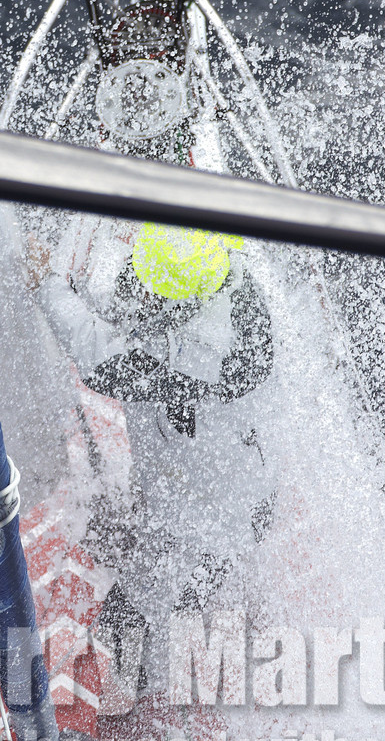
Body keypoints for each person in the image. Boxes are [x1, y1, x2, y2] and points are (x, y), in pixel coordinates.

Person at [33, 219, 278, 650]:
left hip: (209, 526)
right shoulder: (223, 277)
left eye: (148, 285)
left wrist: (53, 285)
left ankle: (140, 682)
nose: (137, 285)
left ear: (177, 310)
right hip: (242, 484)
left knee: (134, 628)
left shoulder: (190, 361)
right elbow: (131, 307)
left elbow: (96, 350)